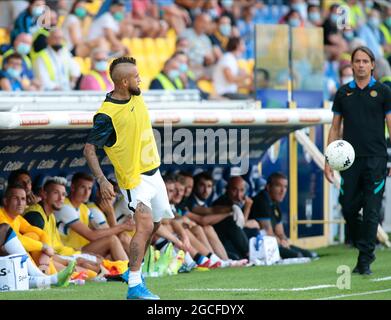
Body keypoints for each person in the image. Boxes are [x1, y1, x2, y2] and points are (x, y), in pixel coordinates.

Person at [83, 56, 174, 300]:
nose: (140, 79)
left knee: (154, 225)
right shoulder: (106, 115)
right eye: (135, 76)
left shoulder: (136, 94)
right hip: (134, 179)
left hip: (155, 173)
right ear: (123, 82)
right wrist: (102, 180)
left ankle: (134, 273)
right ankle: (134, 285)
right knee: (143, 225)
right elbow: (89, 149)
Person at [325, 46, 391, 275]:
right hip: (349, 161)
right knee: (348, 208)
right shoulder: (343, 93)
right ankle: (365, 243)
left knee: (372, 210)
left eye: (365, 61)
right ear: (351, 65)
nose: (361, 65)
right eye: (357, 61)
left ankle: (365, 259)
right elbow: (335, 128)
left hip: (376, 159)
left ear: (372, 64)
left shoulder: (384, 92)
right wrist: (327, 160)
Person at [54, 172, 131, 261]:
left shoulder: (84, 208)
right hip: (68, 252)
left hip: (81, 250)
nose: (86, 192)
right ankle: (130, 271)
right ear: (73, 188)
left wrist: (120, 228)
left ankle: (135, 268)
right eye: (83, 187)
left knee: (118, 240)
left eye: (89, 188)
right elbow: (91, 235)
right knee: (112, 240)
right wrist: (123, 226)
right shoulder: (65, 207)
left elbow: (103, 230)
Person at [249, 172, 318, 259]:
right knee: (297, 256)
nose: (283, 191)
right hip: (260, 246)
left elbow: (280, 232)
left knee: (308, 254)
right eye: (278, 186)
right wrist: (281, 242)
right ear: (268, 187)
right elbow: (268, 233)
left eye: (285, 187)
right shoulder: (261, 201)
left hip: (275, 243)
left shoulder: (274, 204)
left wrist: (284, 240)